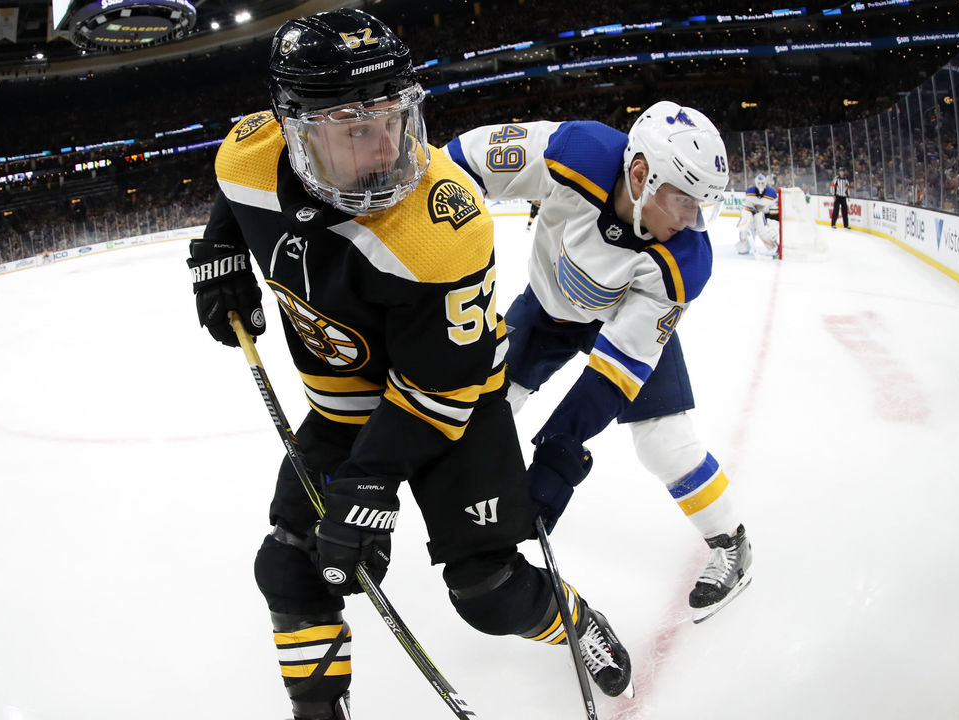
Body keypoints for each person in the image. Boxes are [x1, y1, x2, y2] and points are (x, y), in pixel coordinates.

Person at [187, 10, 631, 719]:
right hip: (345, 409)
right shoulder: (250, 153)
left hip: (454, 407)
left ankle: (575, 622)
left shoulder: (444, 225)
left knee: (488, 592)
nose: (388, 147)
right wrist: (219, 252)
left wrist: (369, 484)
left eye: (395, 118)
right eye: (356, 129)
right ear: (295, 131)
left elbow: (439, 392)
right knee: (290, 565)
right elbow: (236, 190)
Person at [444, 101, 754, 624]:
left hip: (615, 321)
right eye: (684, 200)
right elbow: (457, 166)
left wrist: (557, 455)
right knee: (481, 407)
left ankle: (731, 541)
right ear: (641, 174)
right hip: (545, 308)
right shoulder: (576, 151)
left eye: (702, 205)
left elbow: (613, 375)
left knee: (664, 442)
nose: (692, 221)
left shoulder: (685, 262)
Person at [736, 173, 779, 256]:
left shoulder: (771, 193)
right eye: (759, 183)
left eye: (762, 183)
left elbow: (774, 211)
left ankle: (773, 247)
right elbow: (746, 208)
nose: (760, 185)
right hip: (751, 214)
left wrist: (768, 218)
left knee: (762, 232)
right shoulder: (749, 192)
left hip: (763, 216)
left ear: (765, 183)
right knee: (744, 228)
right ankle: (744, 246)